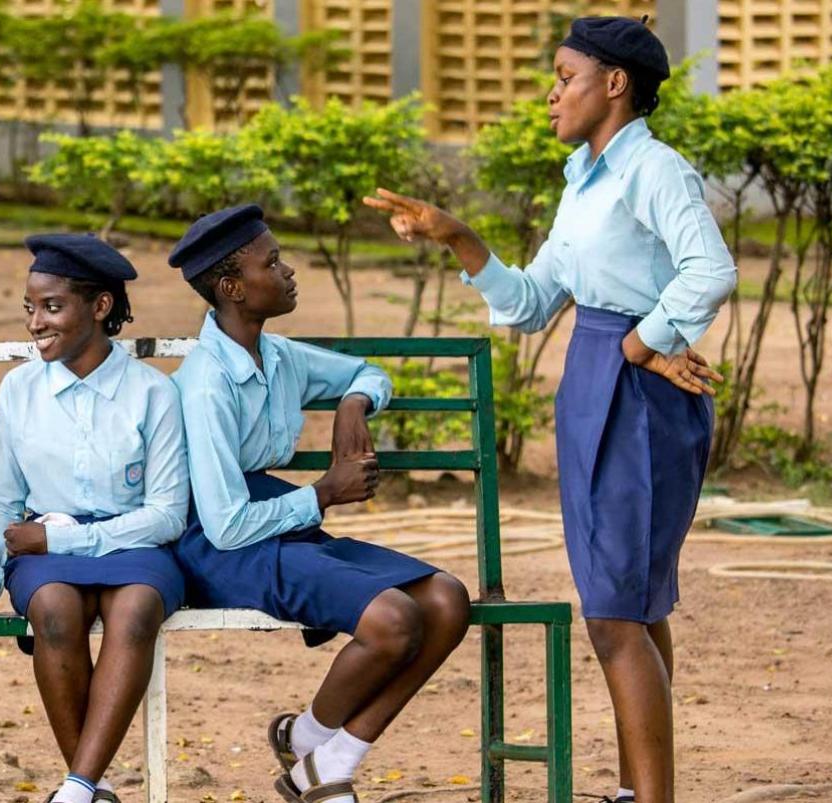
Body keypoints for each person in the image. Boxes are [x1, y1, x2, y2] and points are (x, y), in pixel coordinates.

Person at [363, 17, 737, 803]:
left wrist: (641, 343)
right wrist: (460, 239)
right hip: (594, 380)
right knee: (631, 604)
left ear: (615, 84)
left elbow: (711, 268)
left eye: (564, 76)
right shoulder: (584, 174)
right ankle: (643, 791)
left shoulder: (656, 170)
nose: (550, 93)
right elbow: (535, 303)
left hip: (637, 393)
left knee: (613, 614)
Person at [166, 205, 471, 803]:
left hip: (278, 526)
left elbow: (368, 371)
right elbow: (225, 526)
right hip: (219, 544)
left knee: (446, 599)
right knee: (393, 620)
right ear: (232, 288)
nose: (288, 271)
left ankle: (322, 757)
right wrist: (323, 494)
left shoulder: (278, 357)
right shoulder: (204, 383)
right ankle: (309, 739)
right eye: (272, 262)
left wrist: (353, 403)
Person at [0, 234, 189, 803]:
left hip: (133, 543)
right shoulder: (21, 390)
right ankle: (96, 784)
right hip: (46, 550)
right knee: (55, 609)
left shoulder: (152, 393)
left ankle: (77, 788)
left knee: (137, 608)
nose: (35, 323)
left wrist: (71, 538)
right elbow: (2, 499)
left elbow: (166, 515)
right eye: (30, 309)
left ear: (101, 307)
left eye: (52, 307)